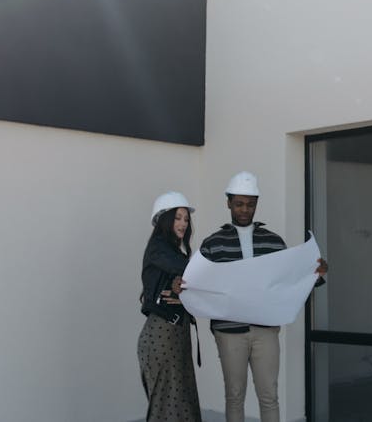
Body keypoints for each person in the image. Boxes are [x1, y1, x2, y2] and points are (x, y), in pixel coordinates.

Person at [199, 171, 328, 422]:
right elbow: (199, 284)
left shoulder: (273, 241)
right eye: (239, 204)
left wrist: (316, 274)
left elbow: (289, 279)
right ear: (228, 203)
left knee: (269, 396)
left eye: (250, 204)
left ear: (256, 204)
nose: (244, 209)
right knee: (234, 396)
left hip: (266, 331)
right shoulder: (213, 244)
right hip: (228, 332)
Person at [137, 191, 202, 422]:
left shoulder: (174, 250)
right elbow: (190, 271)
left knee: (181, 406)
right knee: (168, 409)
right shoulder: (158, 247)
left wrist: (184, 293)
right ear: (165, 219)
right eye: (177, 217)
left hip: (174, 335)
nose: (183, 223)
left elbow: (190, 279)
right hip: (162, 335)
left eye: (186, 218)